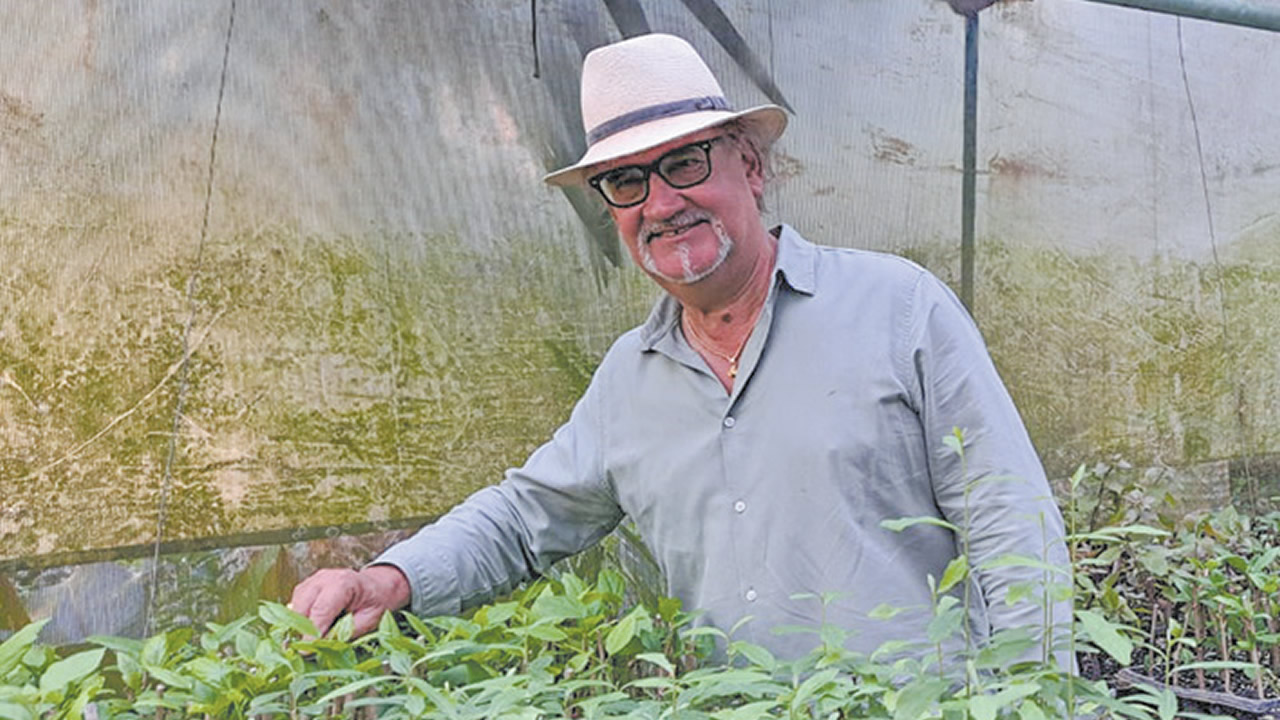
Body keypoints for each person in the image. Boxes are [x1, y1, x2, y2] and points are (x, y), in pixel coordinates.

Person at [289, 33, 1072, 666]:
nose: (661, 203)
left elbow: (1012, 525)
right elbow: (525, 518)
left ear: (751, 165)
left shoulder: (897, 308)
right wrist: (390, 579)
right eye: (626, 182)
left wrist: (1040, 696)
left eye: (685, 163)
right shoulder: (631, 378)